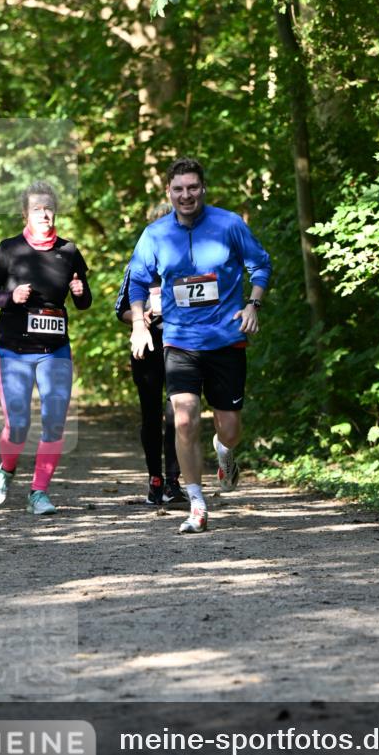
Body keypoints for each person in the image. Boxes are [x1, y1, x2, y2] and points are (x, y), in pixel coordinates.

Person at [128, 157, 271, 533]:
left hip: (225, 339)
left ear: (203, 188)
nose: (186, 195)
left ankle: (225, 451)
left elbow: (260, 265)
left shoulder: (229, 224)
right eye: (178, 189)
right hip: (179, 341)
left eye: (192, 187)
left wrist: (253, 305)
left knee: (230, 429)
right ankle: (196, 503)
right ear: (168, 192)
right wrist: (139, 325)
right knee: (184, 418)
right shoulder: (155, 235)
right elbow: (137, 281)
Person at [0, 181, 92, 515]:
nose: (44, 214)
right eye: (36, 209)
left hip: (54, 351)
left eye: (48, 208)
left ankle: (38, 492)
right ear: (25, 214)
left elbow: (84, 301)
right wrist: (10, 297)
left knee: (54, 421)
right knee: (17, 425)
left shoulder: (69, 251)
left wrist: (80, 291)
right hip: (12, 350)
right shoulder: (10, 249)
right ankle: (7, 468)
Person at [116, 209, 186, 507]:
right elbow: (120, 308)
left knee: (178, 413)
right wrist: (139, 318)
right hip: (147, 346)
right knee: (151, 414)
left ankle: (173, 481)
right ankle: (155, 479)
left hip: (183, 345)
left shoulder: (189, 262)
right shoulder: (140, 264)